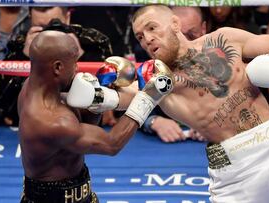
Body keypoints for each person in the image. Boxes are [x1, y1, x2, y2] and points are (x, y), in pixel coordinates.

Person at [70, 5, 269, 202]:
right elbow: (124, 98)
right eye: (140, 36)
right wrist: (97, 97)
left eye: (152, 27)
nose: (147, 38)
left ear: (175, 23)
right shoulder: (158, 79)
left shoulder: (225, 38)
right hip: (236, 173)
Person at [18, 30, 172, 202]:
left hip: (81, 194)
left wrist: (99, 97)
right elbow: (111, 144)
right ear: (58, 67)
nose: (77, 68)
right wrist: (148, 97)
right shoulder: (52, 122)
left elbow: (83, 124)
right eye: (74, 62)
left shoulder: (34, 87)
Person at [0, 6, 113, 127]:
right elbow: (6, 109)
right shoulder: (19, 46)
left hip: (82, 125)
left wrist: (77, 56)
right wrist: (26, 57)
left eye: (55, 28)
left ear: (67, 17)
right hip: (24, 129)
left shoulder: (93, 43)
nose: (49, 39)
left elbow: (105, 106)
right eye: (42, 28)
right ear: (30, 19)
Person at [140, 6, 208, 143]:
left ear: (203, 29)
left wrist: (214, 123)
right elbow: (130, 100)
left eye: (191, 33)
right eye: (178, 33)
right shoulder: (152, 57)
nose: (184, 39)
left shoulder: (220, 55)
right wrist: (153, 121)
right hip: (160, 147)